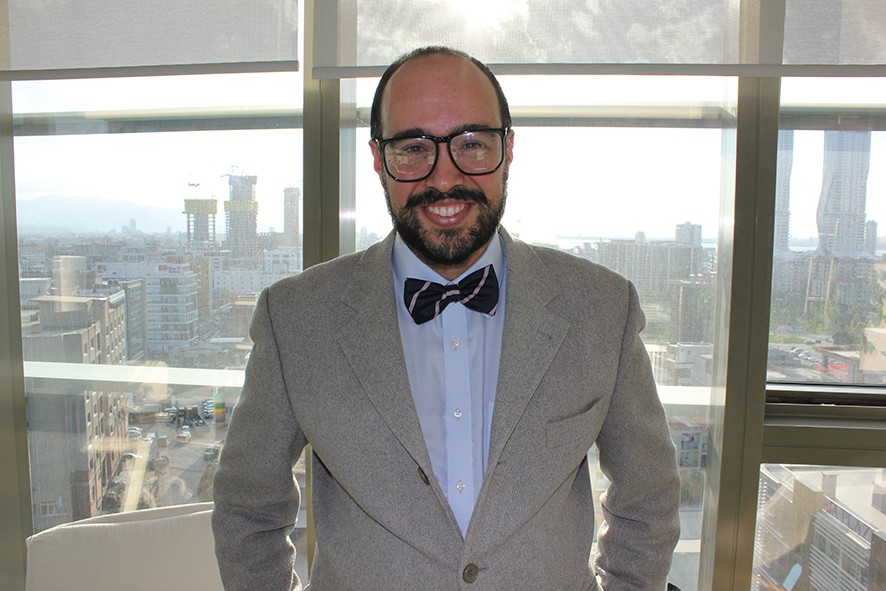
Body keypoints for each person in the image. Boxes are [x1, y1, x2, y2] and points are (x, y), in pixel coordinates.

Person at [212, 46, 681, 591]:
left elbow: (647, 495)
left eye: (472, 143)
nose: (444, 177)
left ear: (508, 149)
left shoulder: (602, 308)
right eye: (413, 148)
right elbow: (248, 509)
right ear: (378, 159)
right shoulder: (295, 318)